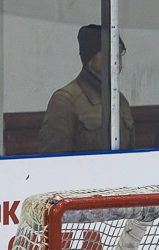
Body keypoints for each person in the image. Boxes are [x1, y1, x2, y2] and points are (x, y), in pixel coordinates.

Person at [37, 24, 135, 154]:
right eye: (108, 50)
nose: (116, 57)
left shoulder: (120, 100)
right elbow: (52, 160)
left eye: (119, 50)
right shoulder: (65, 101)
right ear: (89, 60)